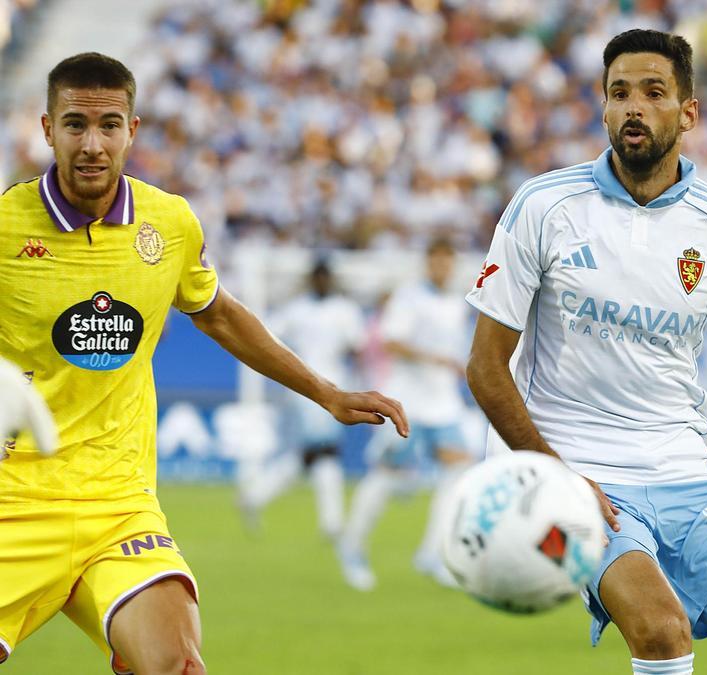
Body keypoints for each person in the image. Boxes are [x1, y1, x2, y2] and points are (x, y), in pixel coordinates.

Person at [0, 53, 407, 675]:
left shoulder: (168, 223)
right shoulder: (6, 227)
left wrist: (326, 393)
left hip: (119, 504)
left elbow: (218, 314)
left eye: (109, 125)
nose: (92, 144)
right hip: (14, 500)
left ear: (132, 130)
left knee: (178, 666)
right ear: (48, 129)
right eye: (75, 124)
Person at [465, 29, 707, 675]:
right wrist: (557, 478)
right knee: (663, 632)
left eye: (653, 92)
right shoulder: (543, 207)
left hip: (688, 474)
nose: (633, 106)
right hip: (581, 470)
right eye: (619, 93)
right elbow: (485, 367)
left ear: (688, 113)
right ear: (604, 108)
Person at [339, 237, 474, 591]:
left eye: (448, 261)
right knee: (388, 474)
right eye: (437, 260)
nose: (442, 267)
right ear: (428, 262)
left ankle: (433, 553)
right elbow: (391, 342)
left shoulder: (456, 302)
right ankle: (352, 547)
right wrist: (434, 359)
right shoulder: (409, 297)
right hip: (408, 400)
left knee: (459, 468)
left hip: (443, 403)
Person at [238, 259, 367, 540]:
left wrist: (358, 382)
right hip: (306, 388)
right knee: (326, 451)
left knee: (310, 456)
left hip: (337, 386)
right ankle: (332, 523)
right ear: (312, 279)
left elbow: (357, 349)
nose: (321, 282)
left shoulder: (344, 310)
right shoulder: (297, 310)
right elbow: (268, 336)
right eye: (317, 277)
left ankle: (255, 495)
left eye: (325, 277)